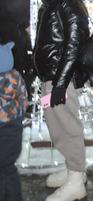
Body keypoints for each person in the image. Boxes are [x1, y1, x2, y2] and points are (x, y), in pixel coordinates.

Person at [32, 0, 89, 201]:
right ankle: (73, 170)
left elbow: (74, 45)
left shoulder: (66, 4)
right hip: (52, 82)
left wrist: (61, 83)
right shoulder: (52, 5)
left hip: (60, 83)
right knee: (56, 124)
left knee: (68, 126)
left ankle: (76, 179)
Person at [0, 40, 28, 201]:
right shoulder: (16, 77)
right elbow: (24, 100)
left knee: (5, 171)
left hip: (5, 133)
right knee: (8, 169)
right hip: (14, 131)